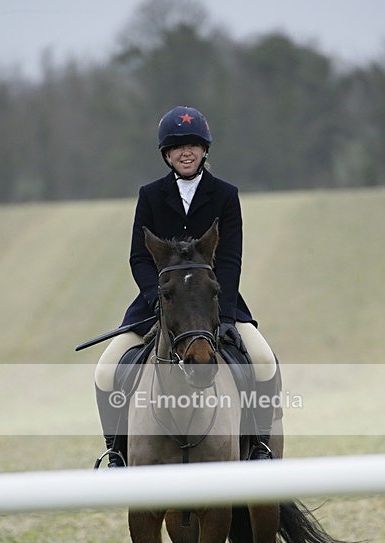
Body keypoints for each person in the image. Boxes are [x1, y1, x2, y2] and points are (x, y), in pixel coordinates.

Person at [94, 105, 277, 466]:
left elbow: (229, 260)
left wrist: (221, 315)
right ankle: (116, 451)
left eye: (193, 144)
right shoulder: (149, 195)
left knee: (263, 361)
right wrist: (157, 300)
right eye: (177, 146)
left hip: (214, 304)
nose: (186, 152)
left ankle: (259, 448)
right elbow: (139, 258)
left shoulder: (225, 195)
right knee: (105, 370)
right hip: (160, 304)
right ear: (166, 154)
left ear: (205, 149)